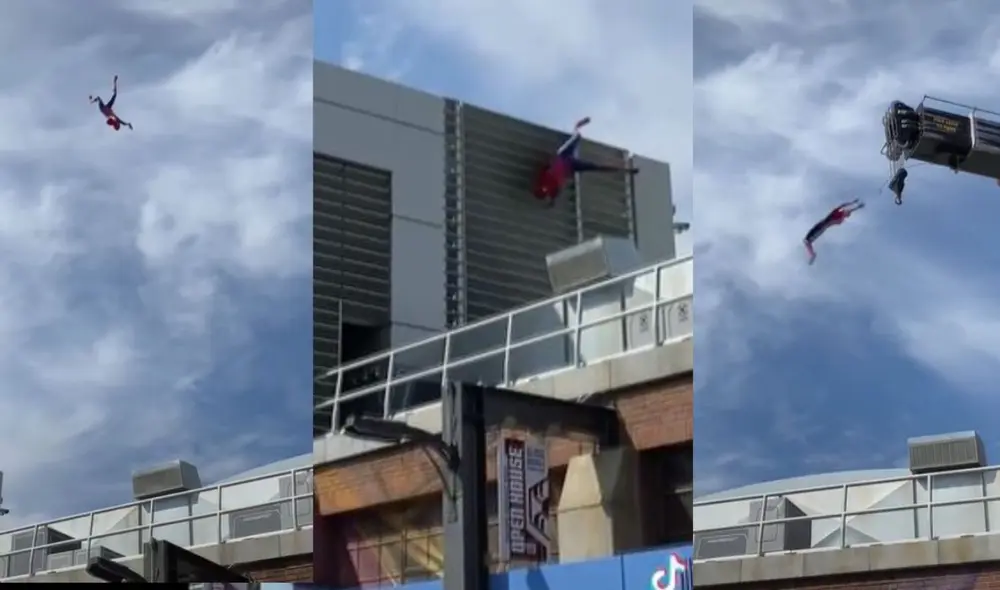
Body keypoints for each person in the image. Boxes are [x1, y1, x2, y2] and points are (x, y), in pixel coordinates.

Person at [533, 117, 640, 206]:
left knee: (577, 138)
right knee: (597, 167)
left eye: (542, 189)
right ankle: (627, 170)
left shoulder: (542, 180)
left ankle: (578, 126)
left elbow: (546, 166)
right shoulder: (551, 190)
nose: (544, 189)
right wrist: (552, 201)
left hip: (563, 157)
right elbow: (555, 193)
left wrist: (553, 159)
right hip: (570, 165)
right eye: (544, 191)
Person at [803, 199, 865, 265]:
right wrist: (853, 204)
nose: (846, 212)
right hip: (821, 225)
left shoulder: (840, 217)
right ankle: (812, 254)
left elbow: (845, 208)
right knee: (806, 241)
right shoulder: (839, 213)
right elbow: (843, 206)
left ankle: (812, 254)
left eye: (847, 214)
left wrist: (855, 205)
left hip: (822, 227)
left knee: (807, 241)